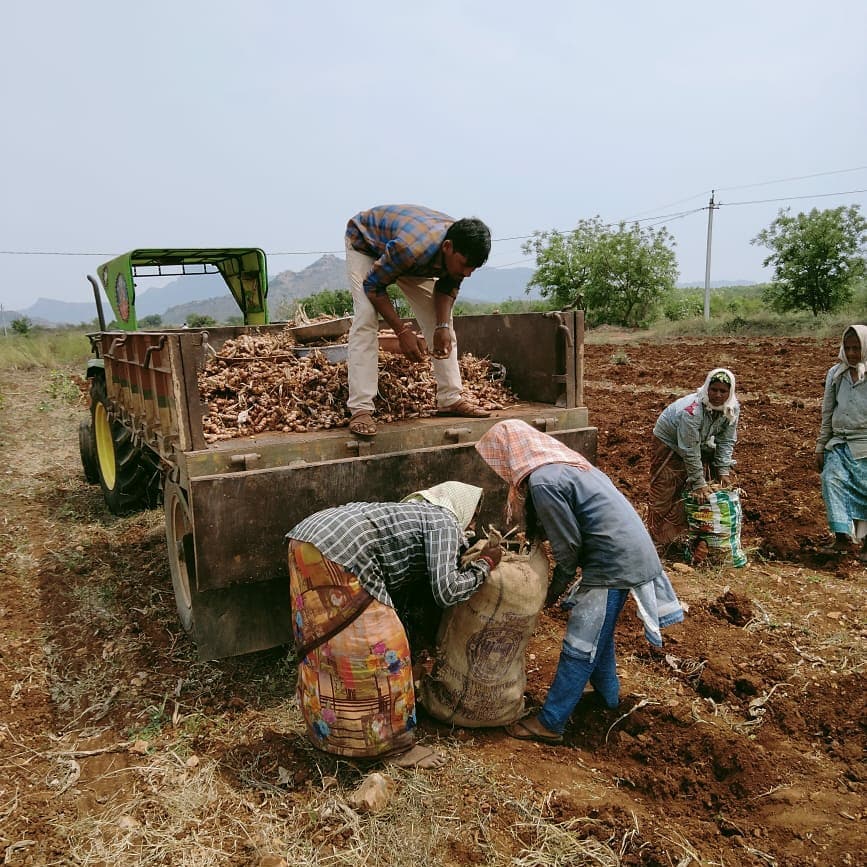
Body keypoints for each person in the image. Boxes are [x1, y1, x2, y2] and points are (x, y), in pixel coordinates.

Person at [474, 419, 684, 745]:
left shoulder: (544, 481)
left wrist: (552, 590)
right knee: (599, 634)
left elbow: (568, 547)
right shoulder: (563, 467)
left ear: (513, 453)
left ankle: (552, 722)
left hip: (613, 563)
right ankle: (608, 699)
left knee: (581, 643)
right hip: (628, 553)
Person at [285, 482, 502, 769]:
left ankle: (328, 736)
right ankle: (396, 748)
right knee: (387, 652)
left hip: (305, 539)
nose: (472, 524)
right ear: (462, 509)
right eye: (473, 517)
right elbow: (446, 591)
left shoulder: (412, 514)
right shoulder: (444, 521)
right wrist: (485, 564)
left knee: (326, 643)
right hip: (341, 550)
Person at [344, 204, 493, 437]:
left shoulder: (460, 252)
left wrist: (441, 327)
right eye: (465, 265)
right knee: (366, 317)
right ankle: (361, 408)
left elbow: (446, 287)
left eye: (472, 268)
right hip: (367, 243)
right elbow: (374, 286)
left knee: (443, 323)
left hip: (407, 257)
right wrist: (402, 332)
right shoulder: (410, 248)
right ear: (447, 247)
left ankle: (450, 398)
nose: (468, 273)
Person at [647, 367, 740, 549]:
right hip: (669, 441)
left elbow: (727, 440)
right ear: (706, 389)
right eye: (713, 390)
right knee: (666, 489)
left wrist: (723, 470)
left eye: (723, 391)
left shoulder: (731, 408)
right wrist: (698, 482)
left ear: (730, 393)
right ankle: (657, 542)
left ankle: (683, 536)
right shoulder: (691, 411)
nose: (718, 395)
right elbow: (689, 449)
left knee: (693, 489)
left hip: (699, 440)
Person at [816, 324, 867, 563]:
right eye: (848, 348)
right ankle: (843, 537)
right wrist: (820, 445)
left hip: (864, 444)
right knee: (831, 479)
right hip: (839, 442)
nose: (853, 353)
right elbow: (828, 412)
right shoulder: (835, 374)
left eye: (857, 348)